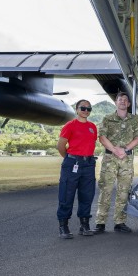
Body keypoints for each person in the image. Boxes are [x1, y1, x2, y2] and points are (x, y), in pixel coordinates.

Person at [94, 92, 138, 233]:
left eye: (125, 100)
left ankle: (119, 222)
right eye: (120, 99)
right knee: (106, 190)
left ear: (128, 104)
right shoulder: (107, 119)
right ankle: (100, 222)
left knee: (124, 190)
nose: (122, 102)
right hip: (110, 158)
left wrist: (125, 150)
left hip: (126, 159)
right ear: (115, 102)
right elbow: (102, 137)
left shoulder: (134, 120)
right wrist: (115, 150)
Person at [56, 99, 98, 239]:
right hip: (72, 163)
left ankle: (84, 225)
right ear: (77, 109)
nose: (86, 110)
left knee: (87, 195)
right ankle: (64, 226)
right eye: (83, 108)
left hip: (89, 164)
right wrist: (70, 159)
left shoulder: (92, 126)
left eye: (88, 108)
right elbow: (61, 146)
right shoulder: (70, 125)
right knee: (67, 195)